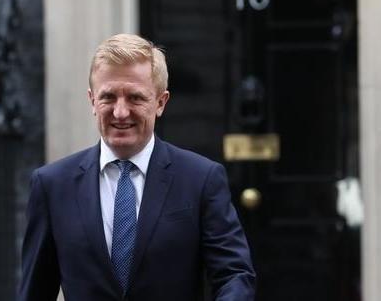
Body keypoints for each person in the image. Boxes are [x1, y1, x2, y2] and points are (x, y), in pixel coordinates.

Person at [18, 33, 256, 301]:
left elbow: (234, 275)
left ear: (160, 102)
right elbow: (35, 291)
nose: (120, 112)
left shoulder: (201, 179)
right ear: (92, 101)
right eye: (108, 97)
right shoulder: (52, 185)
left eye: (135, 98)